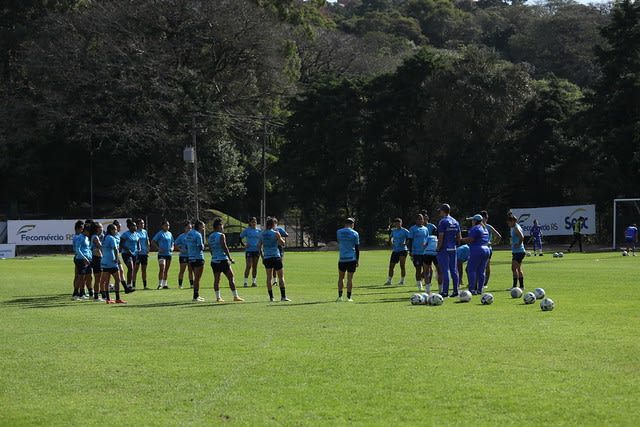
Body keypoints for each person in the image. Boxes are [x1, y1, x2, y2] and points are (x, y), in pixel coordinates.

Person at [208, 218, 244, 302]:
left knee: (216, 280)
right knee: (231, 277)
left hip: (214, 260)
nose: (223, 227)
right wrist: (230, 258)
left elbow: (210, 249)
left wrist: (214, 256)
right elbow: (224, 247)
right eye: (222, 225)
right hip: (223, 260)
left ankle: (218, 297)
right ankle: (235, 296)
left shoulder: (210, 236)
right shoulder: (221, 235)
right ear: (219, 226)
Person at [258, 217, 290, 302]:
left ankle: (271, 297)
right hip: (276, 256)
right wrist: (280, 237)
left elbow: (259, 247)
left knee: (269, 278)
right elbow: (282, 244)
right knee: (281, 277)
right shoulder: (276, 233)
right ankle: (283, 297)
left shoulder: (262, 234)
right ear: (273, 225)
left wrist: (262, 257)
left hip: (267, 257)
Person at [436, 204, 461, 298]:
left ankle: (445, 292)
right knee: (454, 270)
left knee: (445, 270)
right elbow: (459, 238)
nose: (439, 213)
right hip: (453, 248)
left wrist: (438, 248)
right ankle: (455, 291)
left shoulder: (443, 222)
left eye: (440, 211)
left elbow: (441, 236)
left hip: (444, 248)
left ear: (443, 211)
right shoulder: (455, 221)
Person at [462, 214, 491, 295]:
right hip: (486, 250)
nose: (472, 222)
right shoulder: (484, 228)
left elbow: (471, 239)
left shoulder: (475, 228)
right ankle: (480, 289)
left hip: (477, 249)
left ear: (475, 221)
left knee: (471, 270)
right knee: (481, 271)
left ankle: (472, 289)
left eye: (472, 220)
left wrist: (461, 240)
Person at [100, 224, 127, 304]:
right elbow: (116, 249)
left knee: (107, 281)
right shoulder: (112, 238)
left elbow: (102, 249)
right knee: (117, 280)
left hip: (104, 261)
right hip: (111, 262)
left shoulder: (104, 238)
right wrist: (116, 258)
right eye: (114, 229)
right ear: (111, 230)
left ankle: (108, 299)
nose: (116, 231)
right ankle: (117, 298)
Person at [336, 217, 359, 302]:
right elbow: (357, 248)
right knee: (350, 278)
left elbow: (339, 241)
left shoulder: (339, 232)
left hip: (342, 258)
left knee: (341, 278)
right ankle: (349, 297)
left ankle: (339, 297)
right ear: (352, 224)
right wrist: (357, 260)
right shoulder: (355, 233)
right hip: (351, 258)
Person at [383, 218, 409, 286]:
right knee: (391, 266)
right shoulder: (394, 231)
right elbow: (391, 238)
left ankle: (402, 281)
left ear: (401, 223)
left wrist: (405, 244)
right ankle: (389, 281)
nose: (397, 224)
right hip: (395, 250)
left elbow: (410, 238)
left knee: (402, 265)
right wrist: (391, 242)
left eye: (398, 223)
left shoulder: (405, 231)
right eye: (396, 223)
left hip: (403, 250)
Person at [479, 210, 501, 290]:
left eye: (484, 218)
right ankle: (478, 282)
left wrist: (492, 243)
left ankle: (485, 283)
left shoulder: (488, 227)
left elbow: (498, 236)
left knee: (486, 266)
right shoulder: (478, 227)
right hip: (479, 249)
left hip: (487, 249)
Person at [407, 214, 429, 292]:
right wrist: (410, 251)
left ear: (423, 220)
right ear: (416, 220)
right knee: (418, 269)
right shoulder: (413, 229)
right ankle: (419, 285)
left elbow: (427, 239)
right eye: (418, 219)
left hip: (425, 252)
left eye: (421, 219)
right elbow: (410, 240)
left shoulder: (426, 229)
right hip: (416, 252)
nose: (420, 220)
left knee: (427, 269)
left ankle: (425, 283)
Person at [151, 220, 174, 289]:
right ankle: (160, 284)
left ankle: (165, 284)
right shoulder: (160, 234)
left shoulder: (170, 234)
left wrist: (172, 247)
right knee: (162, 268)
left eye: (168, 225)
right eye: (166, 225)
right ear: (162, 226)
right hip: (162, 254)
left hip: (169, 254)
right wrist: (158, 248)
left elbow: (172, 242)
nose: (167, 227)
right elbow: (153, 241)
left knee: (166, 269)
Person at [72, 221, 92, 300]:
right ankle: (75, 294)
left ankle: (88, 293)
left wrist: (90, 258)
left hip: (88, 259)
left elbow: (88, 249)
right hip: (81, 259)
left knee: (88, 277)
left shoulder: (86, 238)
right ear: (86, 231)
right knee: (80, 277)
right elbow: (77, 249)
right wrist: (84, 257)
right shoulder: (79, 237)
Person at [186, 220, 206, 302]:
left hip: (191, 257)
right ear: (199, 226)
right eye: (203, 226)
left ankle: (196, 295)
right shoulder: (198, 235)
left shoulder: (189, 233)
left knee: (196, 277)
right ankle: (195, 296)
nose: (204, 228)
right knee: (197, 278)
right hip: (198, 257)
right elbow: (201, 247)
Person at [240, 217, 261, 287]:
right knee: (249, 266)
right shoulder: (247, 230)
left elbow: (261, 240)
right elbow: (240, 238)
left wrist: (260, 245)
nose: (254, 223)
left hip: (256, 250)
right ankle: (245, 282)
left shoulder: (259, 231)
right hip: (249, 250)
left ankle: (254, 282)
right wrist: (244, 245)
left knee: (255, 266)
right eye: (252, 222)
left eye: (255, 222)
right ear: (250, 223)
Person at [120, 219, 140, 289]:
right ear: (129, 227)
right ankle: (129, 285)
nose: (135, 227)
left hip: (134, 254)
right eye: (133, 226)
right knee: (130, 268)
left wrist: (139, 248)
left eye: (135, 226)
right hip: (126, 254)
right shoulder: (125, 234)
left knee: (133, 269)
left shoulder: (137, 234)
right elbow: (121, 244)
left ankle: (130, 284)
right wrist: (127, 249)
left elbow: (138, 242)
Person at [507, 213, 526, 289]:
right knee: (518, 269)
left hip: (519, 251)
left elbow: (522, 236)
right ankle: (521, 286)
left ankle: (515, 286)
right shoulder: (514, 227)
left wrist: (518, 244)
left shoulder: (516, 228)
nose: (508, 224)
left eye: (509, 222)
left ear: (513, 222)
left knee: (514, 268)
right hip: (517, 251)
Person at [175, 221, 194, 289]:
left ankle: (192, 284)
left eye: (191, 228)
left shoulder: (193, 236)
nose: (189, 230)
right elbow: (176, 244)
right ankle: (180, 285)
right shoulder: (181, 236)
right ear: (185, 228)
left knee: (191, 271)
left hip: (191, 256)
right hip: (183, 256)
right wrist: (181, 250)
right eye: (188, 228)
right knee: (182, 270)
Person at [270, 218, 289, 287]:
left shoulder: (278, 229)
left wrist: (279, 235)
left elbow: (286, 234)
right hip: (272, 248)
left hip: (279, 248)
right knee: (272, 266)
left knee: (279, 264)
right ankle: (275, 281)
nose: (274, 224)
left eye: (275, 223)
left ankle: (280, 279)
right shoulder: (270, 230)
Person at [90, 222, 104, 302]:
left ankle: (100, 295)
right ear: (96, 228)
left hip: (98, 258)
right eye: (100, 227)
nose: (102, 229)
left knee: (99, 278)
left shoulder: (96, 236)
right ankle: (96, 296)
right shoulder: (95, 237)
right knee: (98, 278)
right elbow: (100, 246)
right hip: (96, 258)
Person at [134, 218, 150, 289]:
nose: (142, 225)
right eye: (141, 223)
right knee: (135, 269)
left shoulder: (145, 232)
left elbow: (147, 240)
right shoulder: (135, 232)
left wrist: (148, 248)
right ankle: (133, 285)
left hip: (144, 253)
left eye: (143, 223)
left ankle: (145, 285)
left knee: (144, 270)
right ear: (137, 224)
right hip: (138, 254)